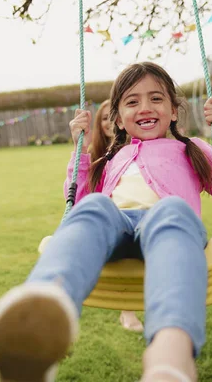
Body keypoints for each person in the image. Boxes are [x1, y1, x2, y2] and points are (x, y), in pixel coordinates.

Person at [0, 62, 212, 382]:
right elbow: (79, 206)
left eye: (156, 99)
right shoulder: (111, 159)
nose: (145, 107)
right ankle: (41, 316)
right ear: (117, 118)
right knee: (95, 206)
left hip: (170, 229)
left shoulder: (192, 149)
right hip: (116, 227)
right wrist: (81, 150)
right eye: (132, 101)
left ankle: (170, 355)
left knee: (171, 208)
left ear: (174, 111)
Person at [90, 99, 145, 333]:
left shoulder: (138, 147)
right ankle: (127, 311)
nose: (109, 123)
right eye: (103, 118)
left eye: (112, 117)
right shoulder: (97, 155)